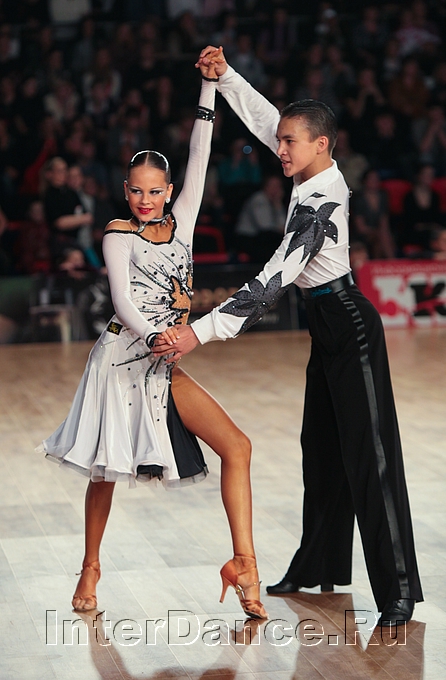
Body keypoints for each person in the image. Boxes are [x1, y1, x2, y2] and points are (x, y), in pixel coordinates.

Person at [153, 46, 423, 627]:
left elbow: (273, 280)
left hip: (350, 324)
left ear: (320, 145)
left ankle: (398, 589)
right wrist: (227, 77)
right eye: (280, 142)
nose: (279, 148)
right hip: (324, 325)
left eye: (289, 143)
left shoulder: (321, 201)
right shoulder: (308, 167)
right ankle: (318, 564)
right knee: (320, 448)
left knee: (370, 457)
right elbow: (266, 118)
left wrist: (199, 332)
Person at [37, 54, 267, 622]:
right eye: (137, 191)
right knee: (105, 470)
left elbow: (200, 152)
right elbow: (122, 300)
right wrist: (159, 335)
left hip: (164, 361)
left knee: (237, 447)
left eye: (155, 191)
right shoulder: (118, 233)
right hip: (123, 356)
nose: (146, 200)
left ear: (168, 191)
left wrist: (209, 87)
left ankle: (244, 564)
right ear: (126, 191)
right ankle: (90, 566)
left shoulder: (183, 220)